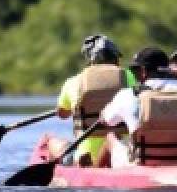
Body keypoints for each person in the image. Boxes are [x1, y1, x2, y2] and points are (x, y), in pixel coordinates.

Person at [98, 46, 177, 168]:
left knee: (111, 136)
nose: (135, 75)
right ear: (167, 69)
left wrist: (103, 115)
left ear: (143, 71)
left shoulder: (128, 95)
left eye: (135, 70)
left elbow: (108, 121)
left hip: (142, 162)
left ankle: (93, 173)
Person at [48, 34, 137, 167]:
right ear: (115, 58)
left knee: (50, 141)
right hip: (123, 153)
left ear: (90, 59)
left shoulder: (73, 82)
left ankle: (77, 161)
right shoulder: (130, 77)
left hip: (87, 153)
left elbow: (63, 114)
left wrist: (65, 108)